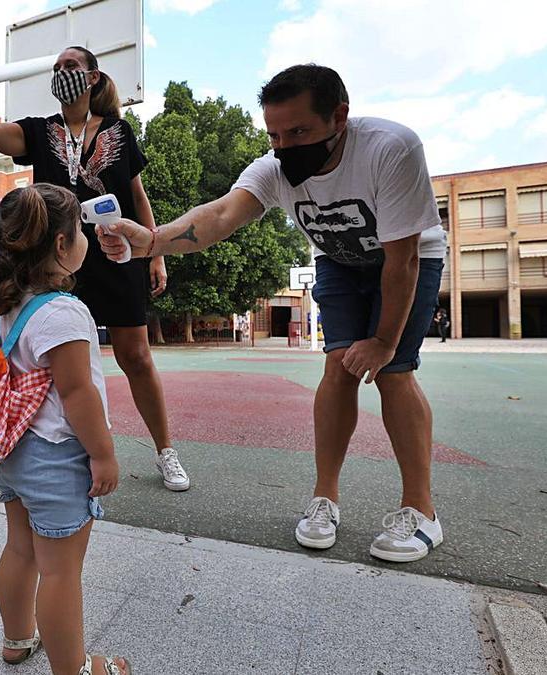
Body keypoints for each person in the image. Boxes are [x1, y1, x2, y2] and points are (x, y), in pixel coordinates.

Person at [98, 64, 448, 563]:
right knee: (337, 366)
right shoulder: (274, 168)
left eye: (300, 131)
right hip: (338, 261)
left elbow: (403, 259)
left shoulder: (390, 148)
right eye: (276, 135)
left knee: (392, 372)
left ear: (339, 117)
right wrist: (152, 241)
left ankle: (422, 512)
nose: (286, 146)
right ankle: (325, 499)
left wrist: (386, 341)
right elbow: (219, 215)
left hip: (409, 256)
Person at [0, 47, 191, 492]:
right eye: (56, 68)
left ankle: (166, 450)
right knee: (49, 356)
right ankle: (37, 446)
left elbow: (138, 196)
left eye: (71, 67)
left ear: (92, 77)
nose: (61, 73)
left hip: (116, 253)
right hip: (55, 257)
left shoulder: (119, 131)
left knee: (136, 356)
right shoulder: (39, 131)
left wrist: (157, 251)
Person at [0, 184, 131, 675]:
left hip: (13, 453)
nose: (86, 239)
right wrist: (103, 455)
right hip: (56, 456)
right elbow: (77, 393)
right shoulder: (63, 312)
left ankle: (17, 639)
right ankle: (76, 669)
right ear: (63, 247)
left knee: (20, 549)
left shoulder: (10, 310)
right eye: (81, 232)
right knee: (62, 571)